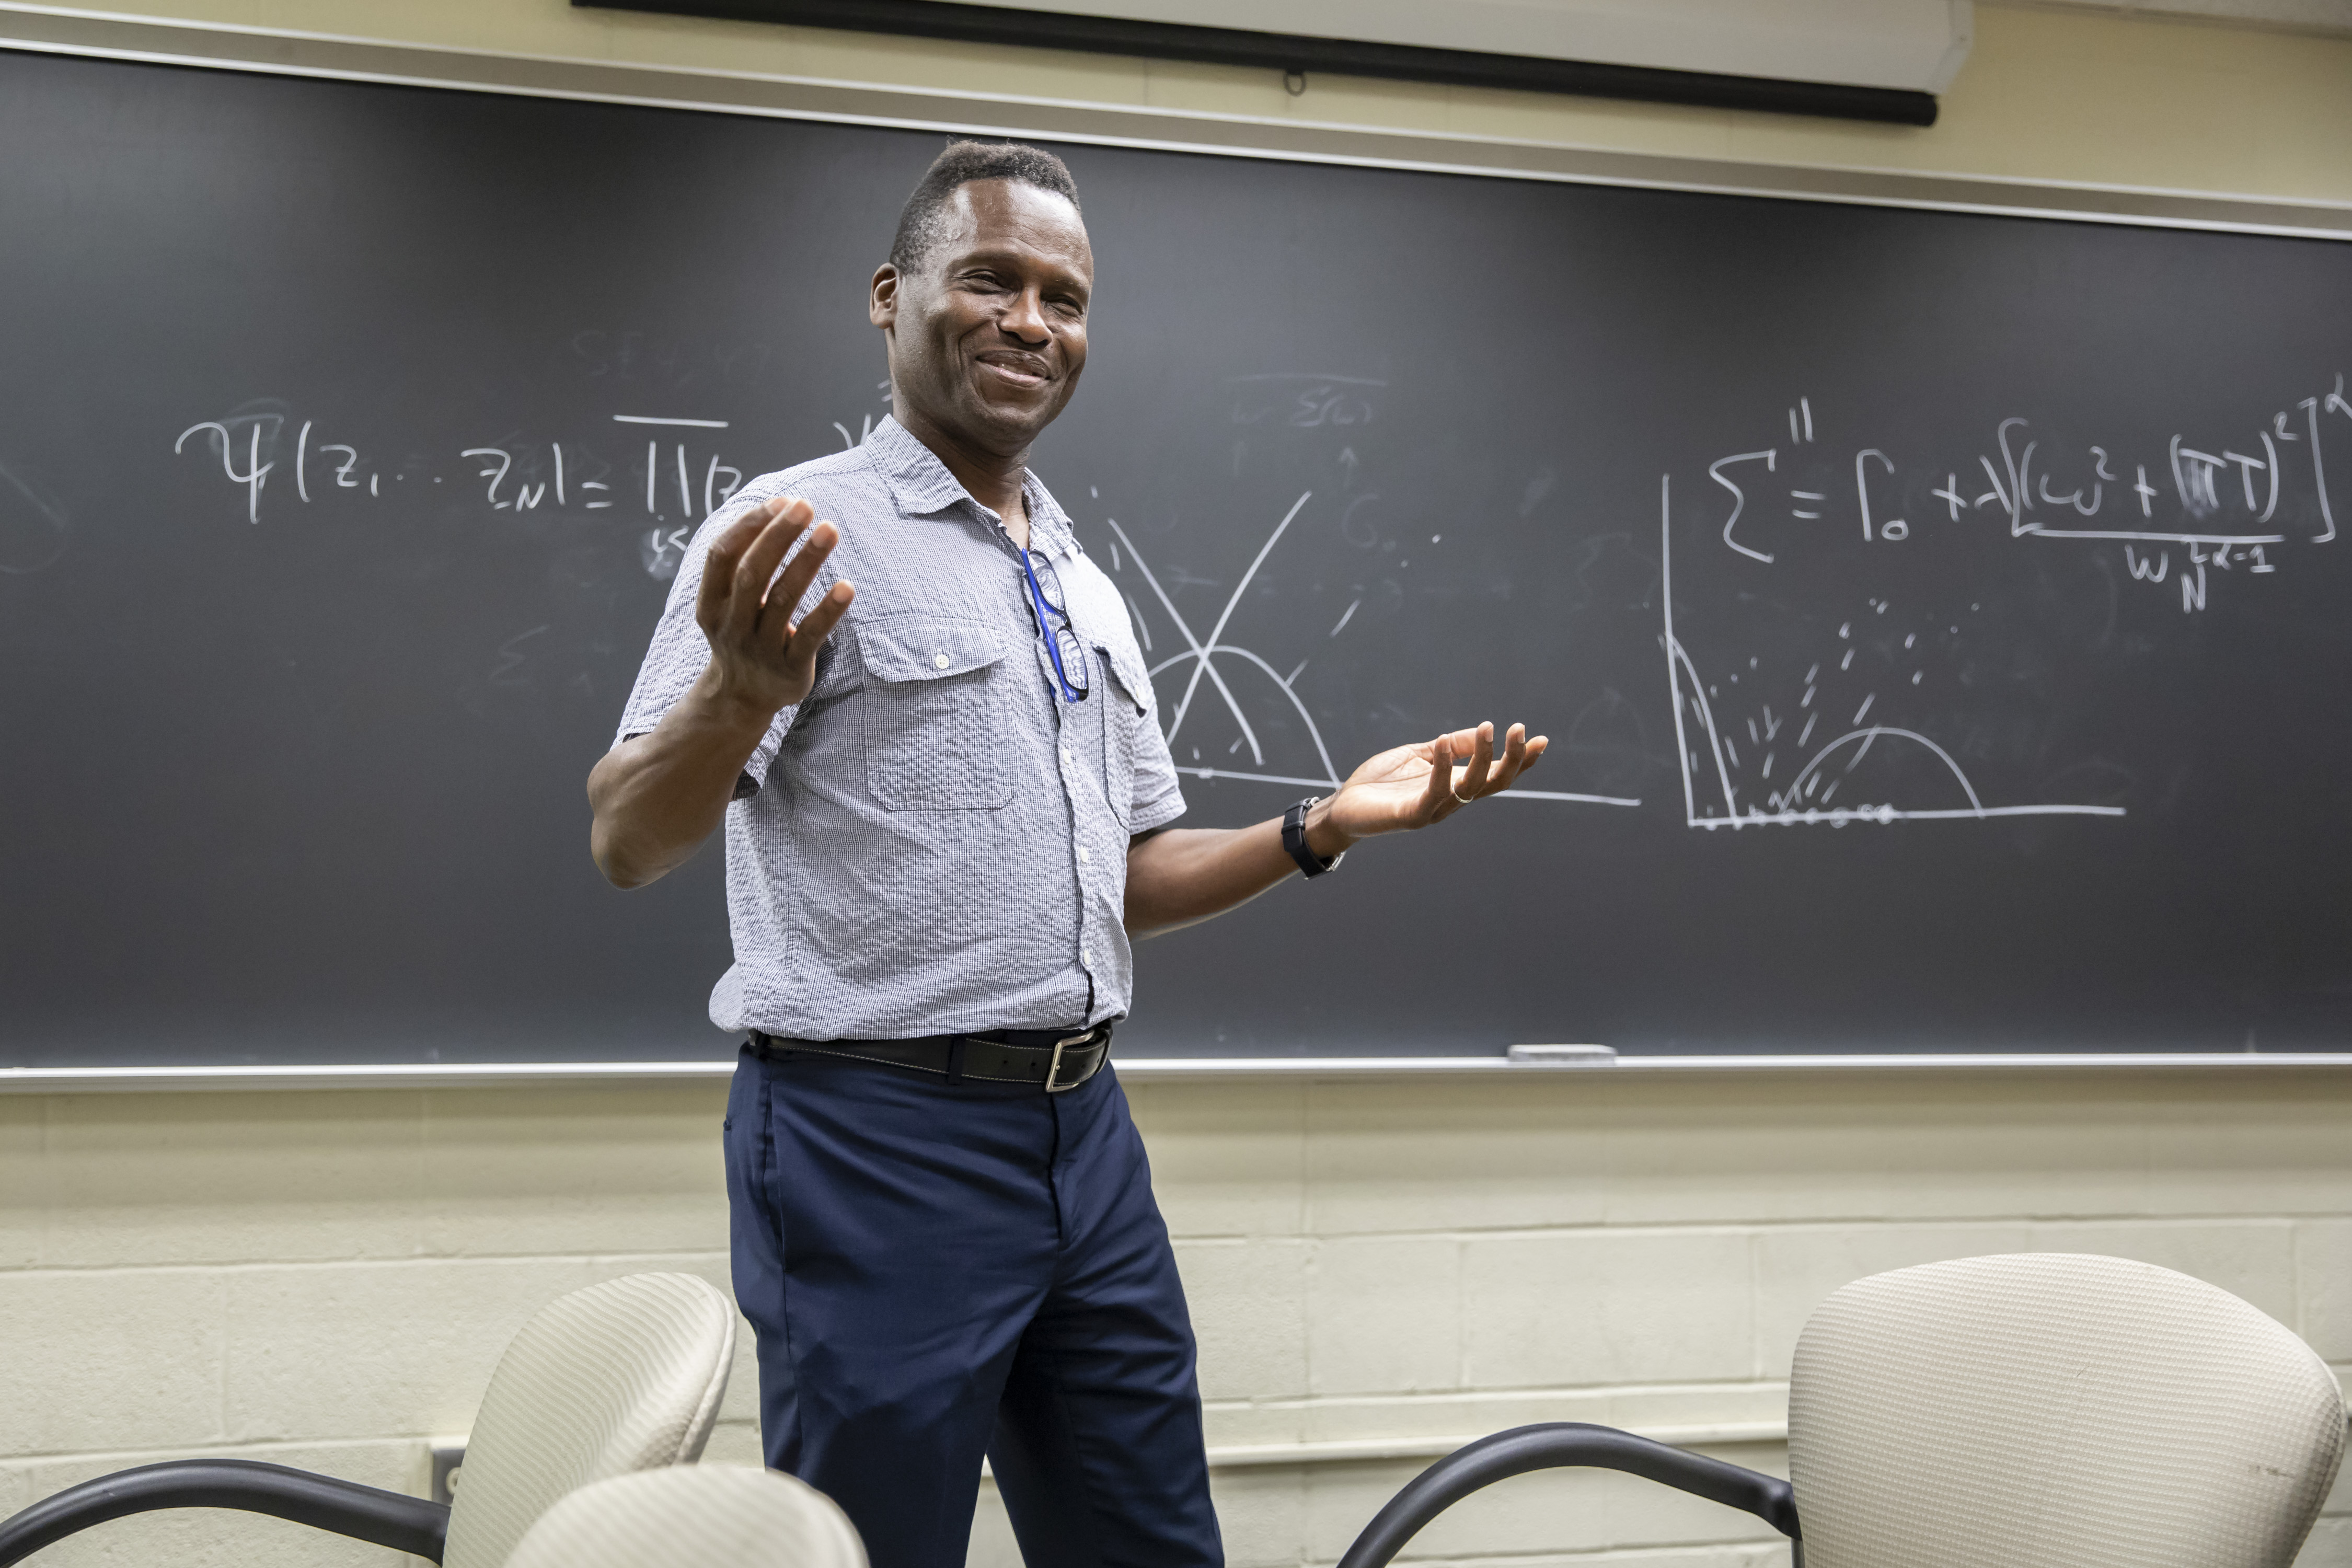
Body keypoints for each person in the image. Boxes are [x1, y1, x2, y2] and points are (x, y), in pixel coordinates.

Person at [587, 140, 1549, 1568]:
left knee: (1148, 1544)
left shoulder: (1076, 578)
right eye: (989, 279)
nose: (1031, 321)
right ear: (890, 296)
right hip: (875, 1141)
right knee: (876, 1549)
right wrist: (735, 698)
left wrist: (1317, 827)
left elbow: (1128, 879)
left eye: (1064, 296)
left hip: (1083, 1135)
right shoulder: (792, 533)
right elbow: (626, 839)